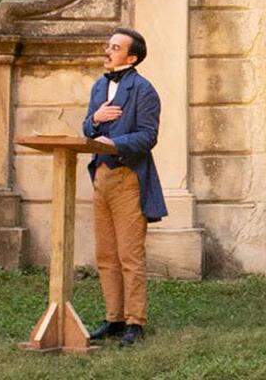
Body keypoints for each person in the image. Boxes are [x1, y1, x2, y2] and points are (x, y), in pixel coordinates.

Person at [82, 28, 167, 346]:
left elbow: (148, 136)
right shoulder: (99, 85)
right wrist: (95, 120)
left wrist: (114, 142)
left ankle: (135, 322)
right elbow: (87, 125)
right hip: (101, 177)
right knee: (105, 254)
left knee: (130, 254)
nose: (108, 51)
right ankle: (114, 318)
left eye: (115, 47)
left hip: (128, 177)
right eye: (108, 45)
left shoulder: (144, 90)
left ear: (131, 57)